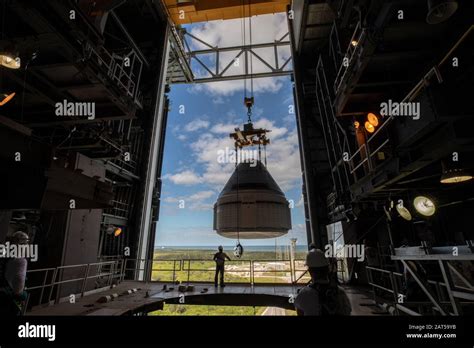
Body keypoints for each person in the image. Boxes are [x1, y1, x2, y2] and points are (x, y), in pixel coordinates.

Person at [294, 248, 352, 316]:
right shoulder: (341, 293)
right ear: (327, 269)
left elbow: (299, 311)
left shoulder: (305, 294)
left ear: (310, 271)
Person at [0, 231, 30, 316]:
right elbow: (19, 283)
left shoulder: (4, 255)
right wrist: (23, 295)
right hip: (10, 299)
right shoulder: (21, 260)